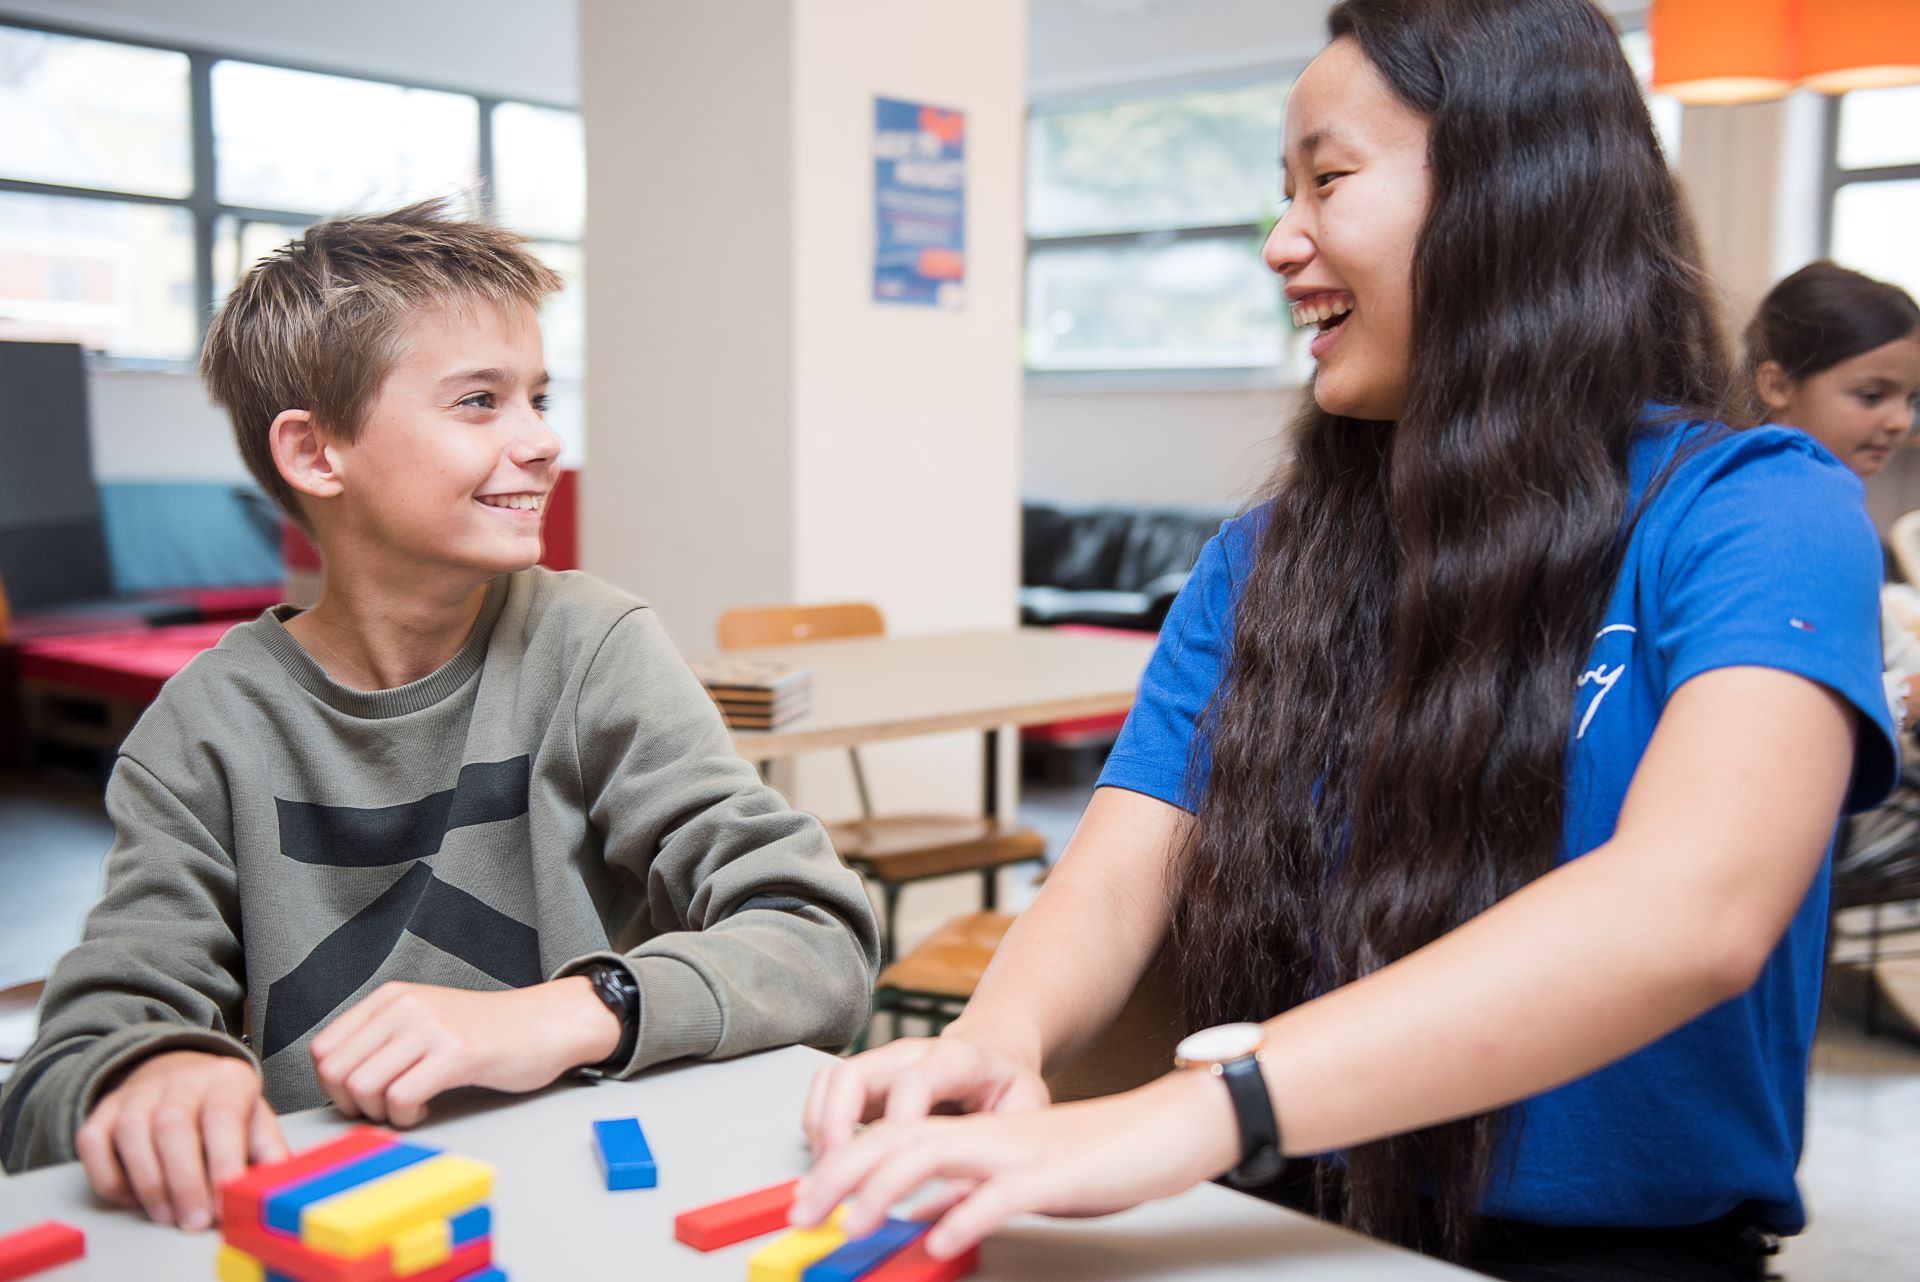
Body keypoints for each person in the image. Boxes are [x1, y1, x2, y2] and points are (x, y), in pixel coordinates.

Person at [793, 2, 1898, 1279]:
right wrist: (996, 1042)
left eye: (1327, 181)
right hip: (1286, 1229)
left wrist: (1196, 1112)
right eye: (1282, 194)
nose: (1282, 242)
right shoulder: (1262, 560)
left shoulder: (1758, 507)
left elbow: (1695, 905)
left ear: (1512, 196)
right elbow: (1114, 875)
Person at [0, 201, 880, 1233]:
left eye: (539, 398)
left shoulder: (588, 647)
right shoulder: (205, 727)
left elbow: (819, 935)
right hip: (340, 1227)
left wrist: (570, 1011)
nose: (542, 440)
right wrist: (149, 1070)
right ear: (317, 453)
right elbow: (68, 1066)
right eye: (479, 402)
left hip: (591, 1211)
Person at [1746, 260, 1920, 725]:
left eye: (1911, 399)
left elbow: (1887, 642)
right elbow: (1780, 707)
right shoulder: (1773, 517)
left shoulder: (1830, 505)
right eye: (1871, 395)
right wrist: (1909, 694)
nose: (1900, 420)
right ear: (1777, 385)